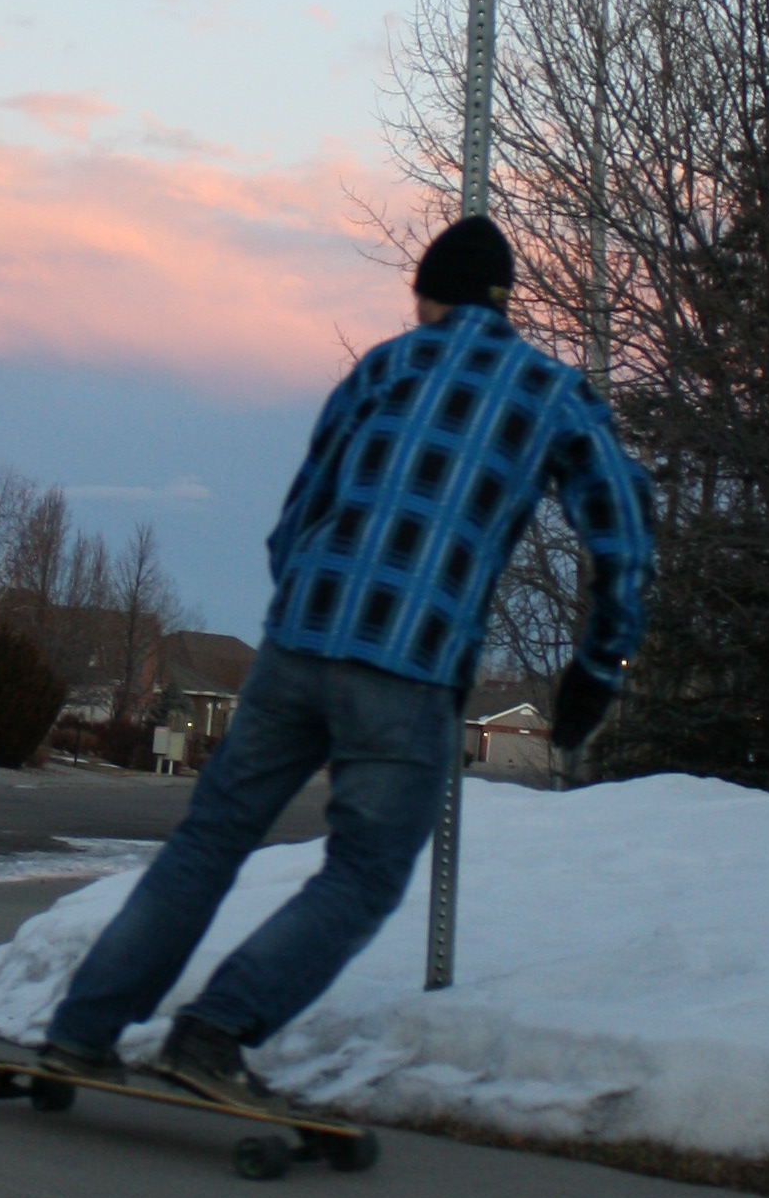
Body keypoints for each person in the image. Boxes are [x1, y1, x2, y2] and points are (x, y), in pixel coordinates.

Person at [43, 212, 654, 1106]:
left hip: (297, 644)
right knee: (365, 872)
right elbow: (624, 535)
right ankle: (212, 1035)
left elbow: (297, 517)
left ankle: (79, 1030)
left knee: (211, 840)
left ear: (429, 297)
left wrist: (305, 621)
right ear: (502, 302)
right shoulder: (552, 391)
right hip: (409, 665)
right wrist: (597, 669)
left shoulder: (383, 366)